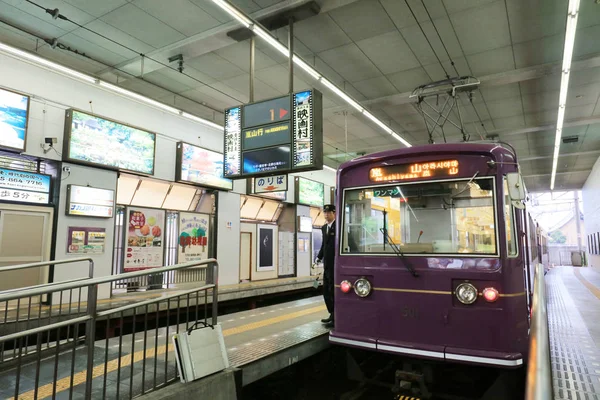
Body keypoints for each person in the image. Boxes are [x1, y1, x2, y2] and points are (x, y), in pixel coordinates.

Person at [316, 204, 336, 328]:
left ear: (334, 213)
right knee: (326, 291)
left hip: (336, 265)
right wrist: (319, 257)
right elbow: (324, 245)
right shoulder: (324, 228)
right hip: (327, 265)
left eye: (329, 212)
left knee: (334, 291)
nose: (326, 215)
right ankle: (331, 313)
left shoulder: (339, 226)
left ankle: (335, 317)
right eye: (325, 213)